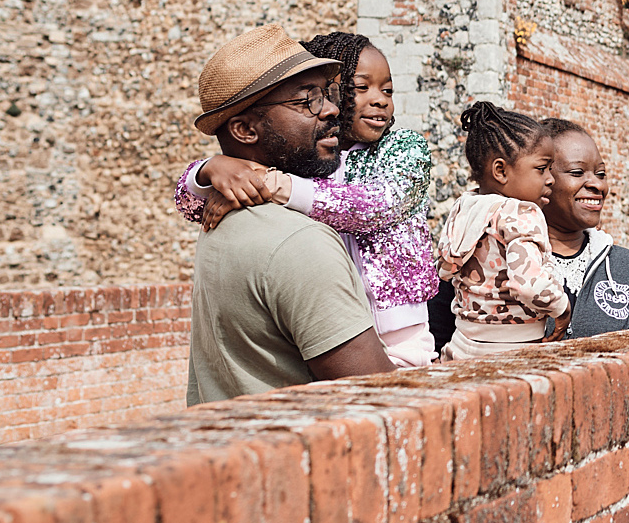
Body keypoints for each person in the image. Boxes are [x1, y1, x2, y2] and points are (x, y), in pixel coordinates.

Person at [175, 32, 439, 368]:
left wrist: (275, 185)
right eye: (360, 88)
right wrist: (209, 169)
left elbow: (374, 205)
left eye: (387, 90)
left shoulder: (401, 148)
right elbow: (191, 204)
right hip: (332, 316)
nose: (380, 100)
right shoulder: (309, 156)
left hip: (397, 324)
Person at [436, 102, 571, 359]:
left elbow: (444, 268)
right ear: (500, 171)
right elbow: (529, 286)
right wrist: (562, 308)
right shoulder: (523, 213)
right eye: (541, 169)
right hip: (513, 349)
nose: (550, 179)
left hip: (462, 343)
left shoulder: (464, 207)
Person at [536, 119, 629, 337]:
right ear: (542, 179)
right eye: (577, 172)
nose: (598, 185)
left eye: (601, 174)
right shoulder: (499, 264)